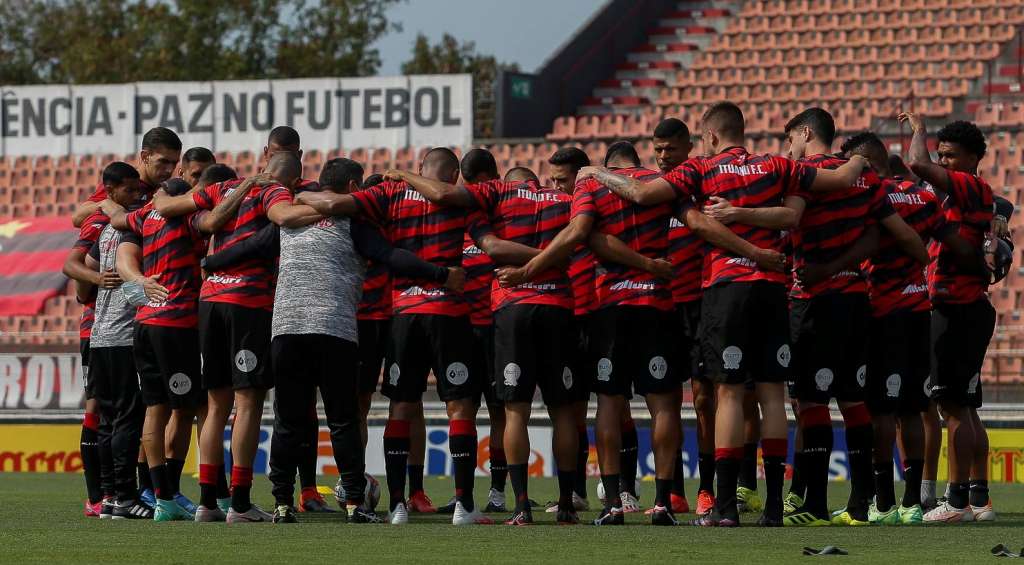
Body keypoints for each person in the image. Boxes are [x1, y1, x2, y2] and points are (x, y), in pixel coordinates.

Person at [579, 102, 869, 527]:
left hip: (726, 288)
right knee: (771, 395)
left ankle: (727, 507)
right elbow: (844, 177)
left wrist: (596, 173)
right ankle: (773, 506)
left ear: (711, 136)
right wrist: (862, 155)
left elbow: (641, 193)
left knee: (729, 394)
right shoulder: (777, 165)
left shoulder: (700, 169)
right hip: (772, 289)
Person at [296, 148, 490, 526]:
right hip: (447, 312)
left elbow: (335, 203)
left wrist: (302, 196)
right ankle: (464, 505)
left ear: (420, 169)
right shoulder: (461, 199)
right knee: (459, 408)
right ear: (453, 175)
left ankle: (398, 505)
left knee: (400, 405)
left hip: (403, 313)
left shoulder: (391, 194)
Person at [391, 151, 585, 525]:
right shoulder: (564, 199)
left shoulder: (491, 200)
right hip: (553, 308)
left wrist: (400, 174)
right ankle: (564, 503)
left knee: (510, 411)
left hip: (500, 317)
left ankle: (518, 504)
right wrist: (551, 259)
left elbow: (481, 233)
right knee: (560, 410)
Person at [153, 152, 321, 523]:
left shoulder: (221, 188)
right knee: (248, 404)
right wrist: (330, 210)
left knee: (215, 407)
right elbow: (283, 218)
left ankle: (208, 502)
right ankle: (241, 503)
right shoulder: (273, 191)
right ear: (292, 180)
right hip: (246, 303)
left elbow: (166, 206)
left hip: (209, 301)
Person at [842, 132, 979, 525]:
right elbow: (955, 244)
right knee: (916, 409)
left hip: (881, 312)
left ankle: (883, 504)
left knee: (881, 410)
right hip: (920, 309)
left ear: (865, 163)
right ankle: (913, 503)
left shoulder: (869, 196)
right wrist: (983, 265)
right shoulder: (923, 197)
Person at [101, 170, 254, 521]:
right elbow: (214, 220)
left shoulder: (143, 217)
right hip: (177, 324)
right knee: (198, 408)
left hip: (144, 324)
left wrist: (102, 200)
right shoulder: (187, 219)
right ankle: (207, 496)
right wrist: (242, 188)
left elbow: (117, 216)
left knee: (156, 410)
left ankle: (165, 499)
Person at [899, 113, 996, 523]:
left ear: (974, 158)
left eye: (951, 156)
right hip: (968, 308)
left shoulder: (970, 186)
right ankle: (978, 500)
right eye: (942, 155)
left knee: (952, 409)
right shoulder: (963, 197)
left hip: (955, 308)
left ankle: (955, 503)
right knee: (966, 409)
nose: (944, 162)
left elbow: (917, 165)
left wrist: (920, 133)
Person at [84, 162, 148, 519]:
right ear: (110, 192)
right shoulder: (130, 228)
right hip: (123, 335)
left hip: (100, 335)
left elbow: (85, 273)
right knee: (126, 418)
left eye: (137, 189)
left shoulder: (104, 231)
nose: (136, 195)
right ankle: (125, 496)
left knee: (108, 420)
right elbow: (134, 283)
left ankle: (109, 496)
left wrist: (96, 281)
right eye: (128, 190)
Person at [652, 117, 704, 516]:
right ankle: (671, 491)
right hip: (662, 308)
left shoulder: (703, 185)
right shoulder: (652, 192)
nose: (663, 156)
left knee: (705, 399)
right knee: (666, 402)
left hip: (702, 305)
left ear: (688, 146)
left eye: (670, 149)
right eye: (658, 149)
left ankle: (709, 488)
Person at [545, 147, 595, 513]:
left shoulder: (591, 210)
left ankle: (621, 491)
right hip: (563, 317)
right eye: (552, 179)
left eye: (562, 180)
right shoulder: (549, 211)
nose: (555, 186)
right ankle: (575, 490)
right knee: (568, 409)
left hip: (593, 314)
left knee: (611, 405)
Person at [71, 127, 182, 227]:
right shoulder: (123, 181)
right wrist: (105, 204)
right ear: (145, 157)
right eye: (163, 161)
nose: (170, 170)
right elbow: (77, 218)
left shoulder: (168, 190)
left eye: (174, 163)